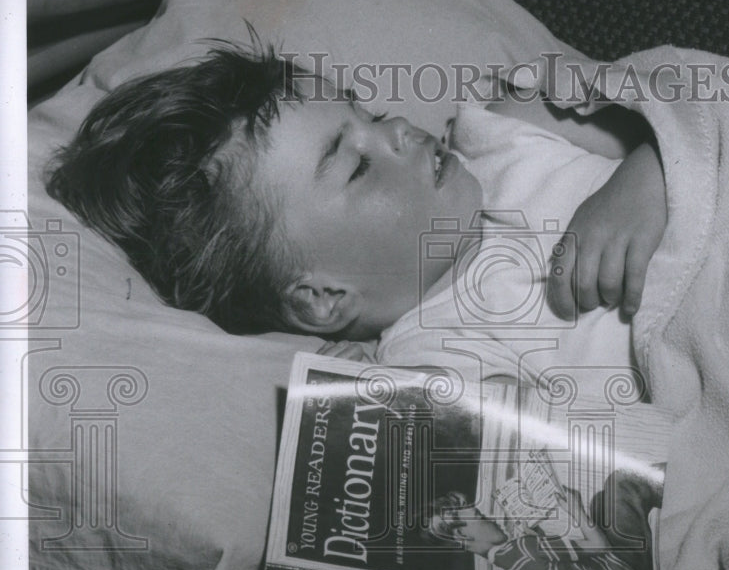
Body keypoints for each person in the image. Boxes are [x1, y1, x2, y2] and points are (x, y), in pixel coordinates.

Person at [44, 35, 667, 352]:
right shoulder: (434, 366)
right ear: (322, 298)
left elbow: (711, 102)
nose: (397, 132)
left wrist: (653, 175)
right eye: (357, 168)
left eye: (367, 113)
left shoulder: (507, 127)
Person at [425, 484, 644, 570]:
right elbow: (599, 546)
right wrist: (575, 510)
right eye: (481, 517)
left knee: (601, 501)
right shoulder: (523, 549)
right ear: (463, 534)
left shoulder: (505, 559)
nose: (490, 518)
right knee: (620, 485)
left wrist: (536, 536)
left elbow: (553, 563)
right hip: (622, 566)